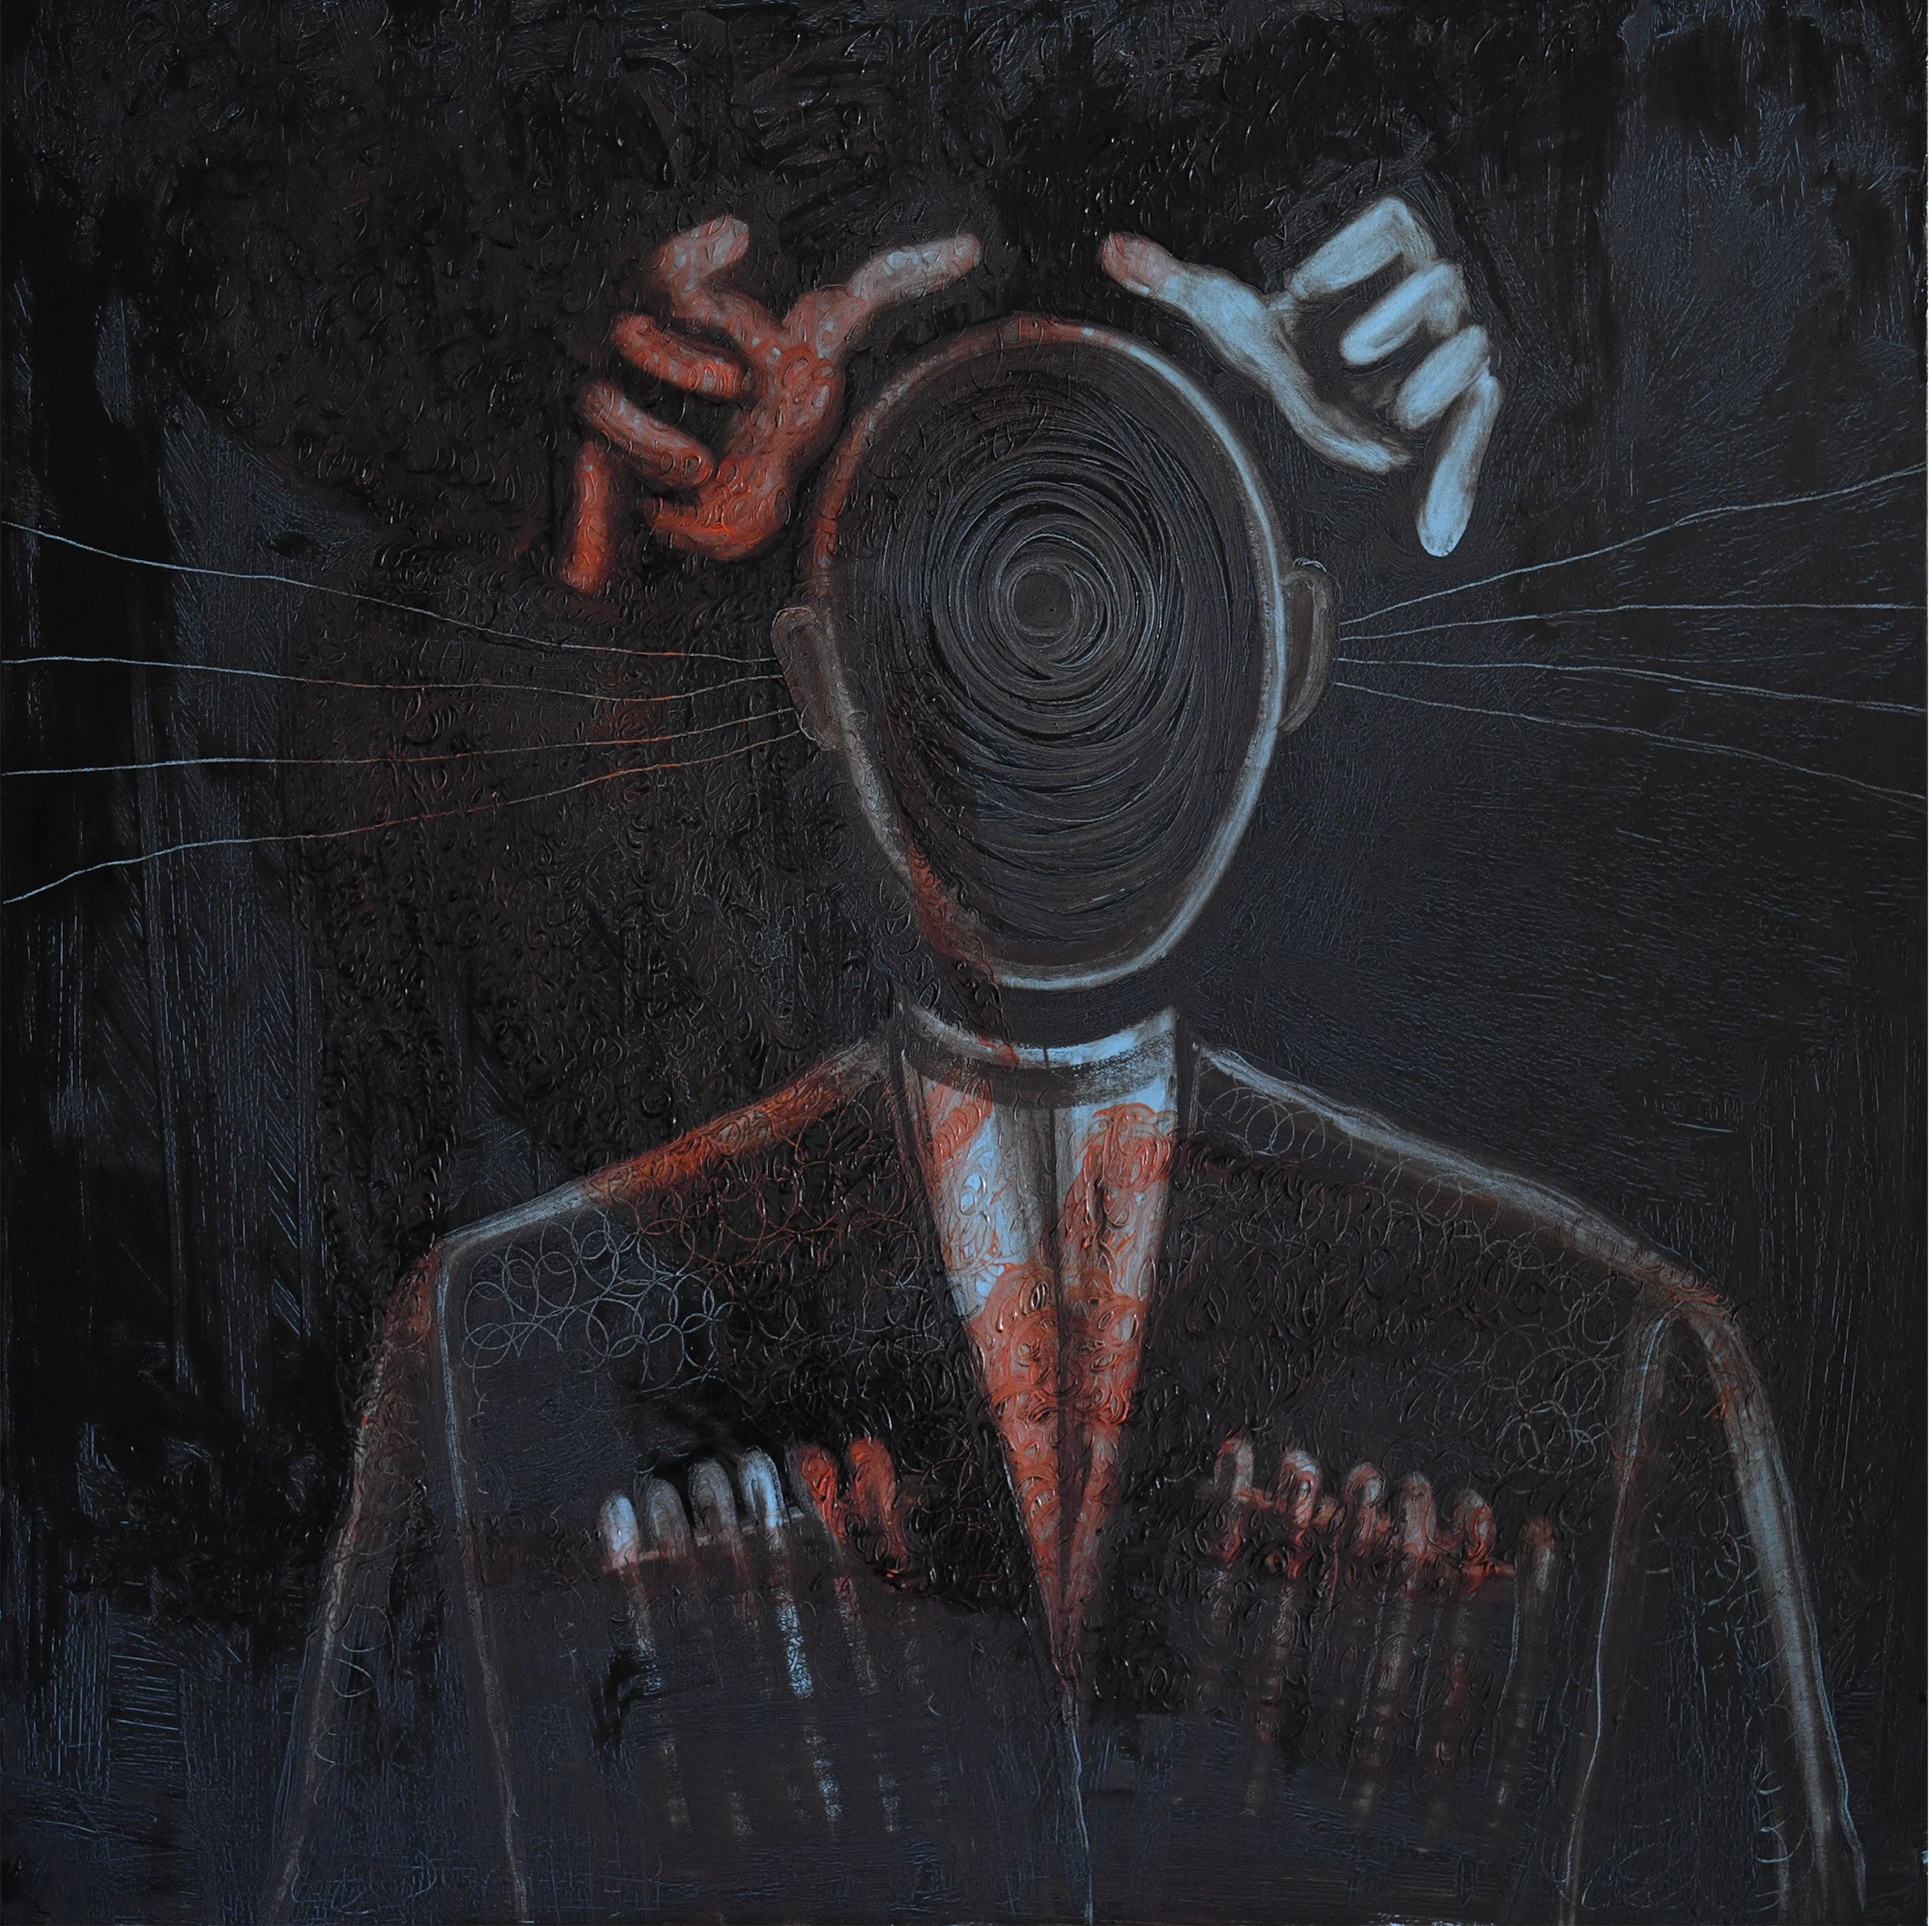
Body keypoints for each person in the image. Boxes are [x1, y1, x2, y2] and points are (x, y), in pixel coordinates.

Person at [265, 203, 1861, 1926]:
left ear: (1295, 648)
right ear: (814, 673)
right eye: (983, 575)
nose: (1051, 686)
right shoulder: (511, 1354)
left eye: (1118, 573)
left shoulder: (1606, 1378)